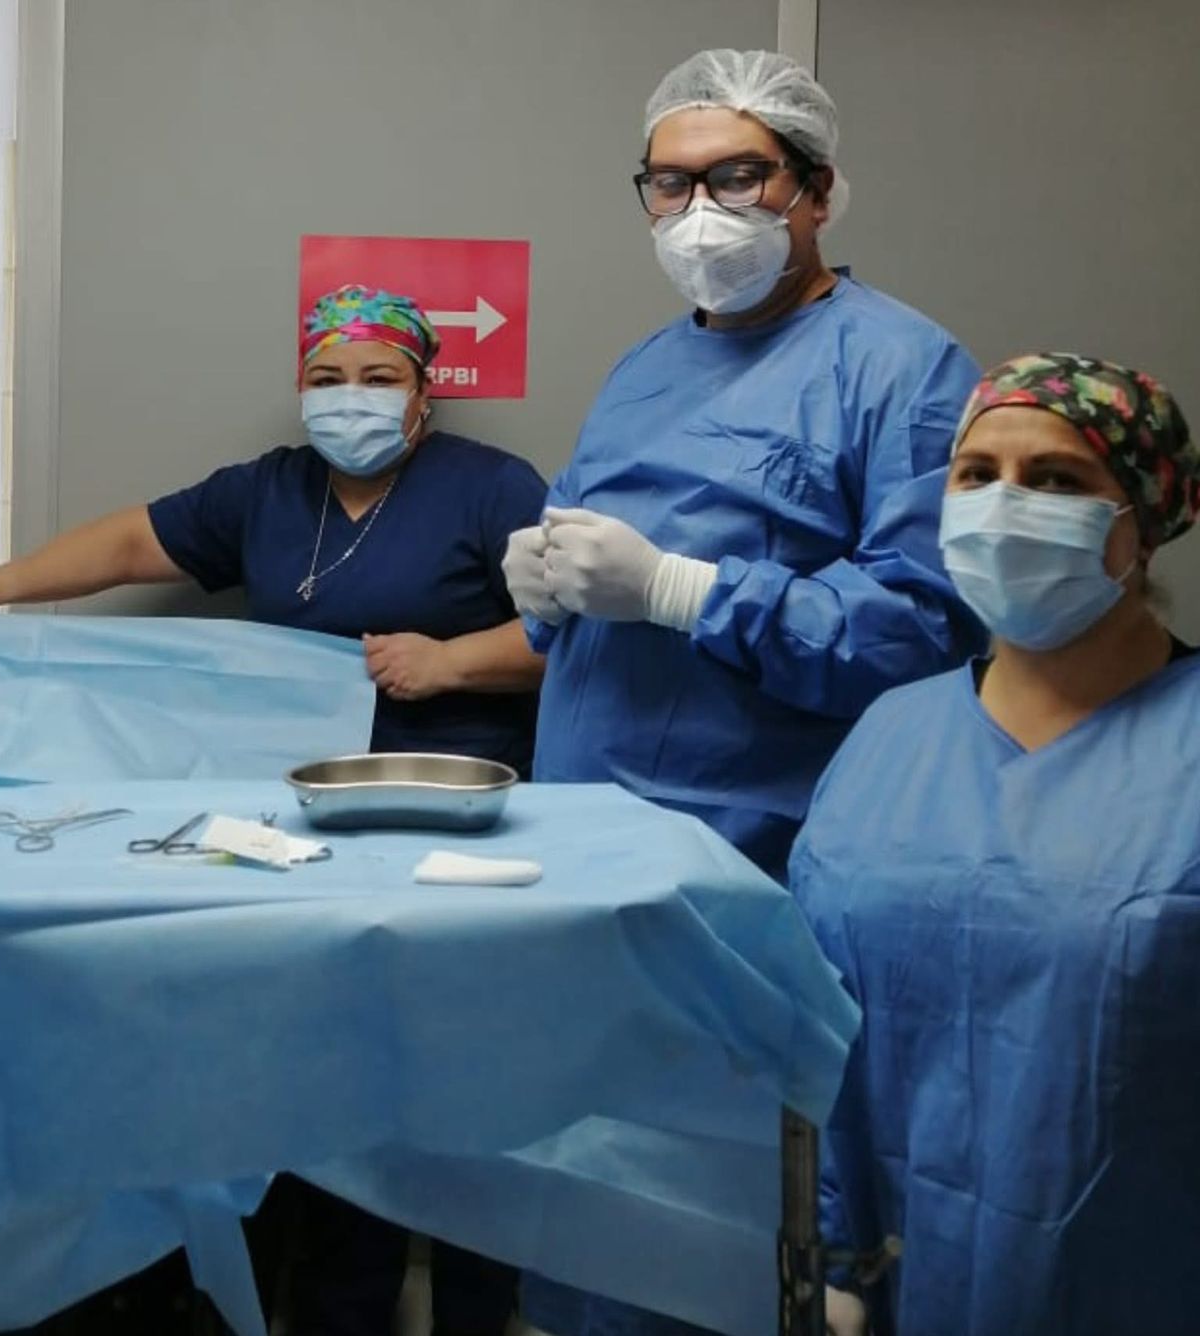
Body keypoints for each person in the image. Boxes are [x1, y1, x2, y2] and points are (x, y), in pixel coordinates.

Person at [0, 283, 546, 1335]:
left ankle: (478, 1310)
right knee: (332, 1082)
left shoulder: (491, 488)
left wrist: (450, 662)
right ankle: (336, 1306)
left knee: (459, 1085)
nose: (350, 397)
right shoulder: (269, 492)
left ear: (423, 398)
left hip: (452, 829)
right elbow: (131, 544)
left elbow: (570, 634)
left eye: (378, 378)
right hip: (302, 831)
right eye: (328, 377)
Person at [503, 48, 986, 1336]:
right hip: (584, 846)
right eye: (668, 184)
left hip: (752, 869)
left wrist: (684, 589)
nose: (698, 211)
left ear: (816, 191)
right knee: (591, 1195)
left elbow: (921, 630)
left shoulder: (902, 368)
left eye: (737, 178)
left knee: (727, 1223)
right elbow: (590, 573)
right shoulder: (641, 368)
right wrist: (543, 592)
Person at [791, 353, 1200, 1336]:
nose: (1004, 507)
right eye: (976, 475)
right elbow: (811, 1026)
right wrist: (823, 1257)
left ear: (1142, 520)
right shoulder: (890, 734)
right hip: (888, 1276)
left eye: (1056, 479)